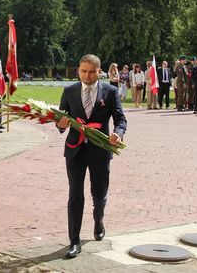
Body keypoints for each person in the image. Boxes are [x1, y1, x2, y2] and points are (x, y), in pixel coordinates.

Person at [56, 54, 127, 259]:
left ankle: (98, 220)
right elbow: (61, 117)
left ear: (99, 71)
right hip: (75, 150)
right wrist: (60, 124)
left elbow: (121, 119)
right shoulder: (69, 91)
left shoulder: (110, 92)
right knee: (75, 195)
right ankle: (74, 241)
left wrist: (118, 133)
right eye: (83, 71)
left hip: (100, 151)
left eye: (91, 72)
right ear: (78, 70)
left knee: (99, 194)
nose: (87, 75)